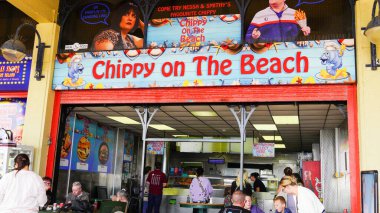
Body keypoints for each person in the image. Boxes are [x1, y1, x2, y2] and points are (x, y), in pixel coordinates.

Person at [245, 0, 311, 43]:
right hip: (268, 55)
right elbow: (248, 38)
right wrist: (253, 36)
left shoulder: (297, 14)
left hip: (291, 53)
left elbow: (306, 38)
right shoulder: (259, 15)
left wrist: (307, 33)